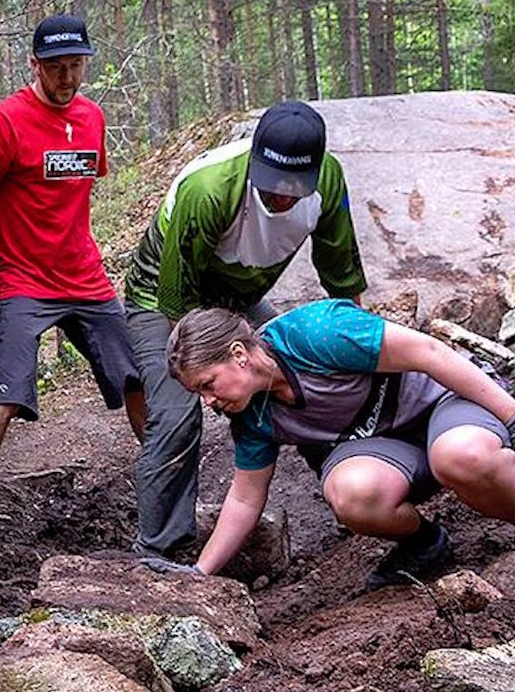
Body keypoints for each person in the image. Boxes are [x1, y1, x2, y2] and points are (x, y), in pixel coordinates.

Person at [151, 299, 515, 586]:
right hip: (386, 447)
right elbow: (245, 500)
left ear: (239, 355)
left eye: (208, 385)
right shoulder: (251, 415)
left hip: (443, 404)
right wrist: (200, 573)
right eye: (199, 394)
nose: (208, 402)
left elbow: (430, 354)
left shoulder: (315, 334)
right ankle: (426, 543)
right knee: (350, 493)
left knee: (462, 456)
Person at [0, 13, 145, 561]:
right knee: (7, 392)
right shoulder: (5, 121)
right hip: (25, 283)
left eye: (76, 65)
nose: (68, 77)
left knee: (135, 379)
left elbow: (75, 195)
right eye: (56, 67)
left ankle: (163, 490)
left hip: (86, 276)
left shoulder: (92, 118)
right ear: (34, 65)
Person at [124, 100, 367, 560]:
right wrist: (210, 382)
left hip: (239, 294)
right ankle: (157, 553)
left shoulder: (329, 182)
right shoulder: (209, 191)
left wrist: (360, 352)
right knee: (178, 413)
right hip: (164, 296)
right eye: (273, 185)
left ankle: (357, 488)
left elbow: (342, 280)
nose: (282, 197)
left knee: (298, 377)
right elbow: (181, 305)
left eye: (295, 188)